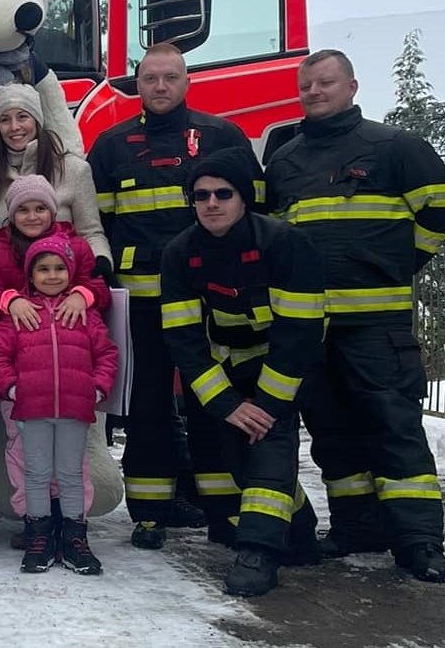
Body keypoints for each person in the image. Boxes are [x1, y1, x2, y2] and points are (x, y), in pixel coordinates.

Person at [265, 49, 445, 583]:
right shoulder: (284, 160)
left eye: (325, 82)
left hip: (377, 324)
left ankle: (419, 541)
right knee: (331, 433)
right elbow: (276, 237)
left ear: (351, 85)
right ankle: (355, 527)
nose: (314, 92)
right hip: (312, 327)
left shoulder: (394, 146)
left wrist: (403, 260)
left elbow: (442, 204)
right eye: (306, 85)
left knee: (394, 428)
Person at [86, 43, 262, 549]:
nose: (159, 87)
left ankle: (223, 511)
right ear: (136, 85)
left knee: (213, 401)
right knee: (146, 407)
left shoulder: (221, 137)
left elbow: (254, 214)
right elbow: (98, 224)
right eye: (149, 79)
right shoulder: (112, 145)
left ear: (187, 81)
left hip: (211, 302)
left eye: (169, 78)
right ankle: (149, 512)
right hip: (139, 305)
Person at [159, 149, 326, 597]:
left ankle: (258, 552)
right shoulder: (179, 254)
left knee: (267, 441)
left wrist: (267, 405)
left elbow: (300, 333)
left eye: (223, 193)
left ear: (244, 198)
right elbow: (184, 339)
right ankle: (301, 527)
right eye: (201, 195)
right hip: (226, 367)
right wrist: (228, 404)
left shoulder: (284, 242)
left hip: (284, 363)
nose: (211, 203)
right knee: (233, 454)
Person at [0, 174, 111, 533]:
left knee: (69, 458)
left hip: (68, 375)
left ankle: (68, 521)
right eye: (23, 209)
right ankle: (34, 521)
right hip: (25, 371)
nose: (33, 216)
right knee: (24, 452)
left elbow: (100, 289)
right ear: (11, 214)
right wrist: (12, 299)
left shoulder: (76, 246)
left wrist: (83, 294)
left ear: (52, 211)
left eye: (40, 208)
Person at [0, 235, 118, 575]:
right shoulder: (18, 315)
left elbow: (106, 354)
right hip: (31, 410)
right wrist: (12, 388)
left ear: (71, 273)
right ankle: (39, 537)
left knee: (72, 474)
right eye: (43, 269)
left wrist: (99, 388)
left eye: (60, 268)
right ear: (30, 276)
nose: (52, 275)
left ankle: (75, 538)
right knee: (37, 474)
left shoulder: (84, 314)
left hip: (75, 409)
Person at [0, 83, 109, 262]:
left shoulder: (74, 170)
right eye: (5, 119)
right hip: (7, 284)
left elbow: (91, 233)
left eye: (22, 117)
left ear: (37, 121)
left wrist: (101, 261)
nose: (14, 127)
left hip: (62, 281)